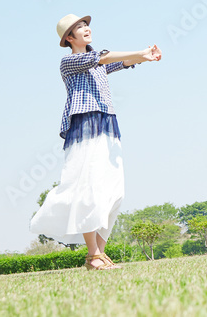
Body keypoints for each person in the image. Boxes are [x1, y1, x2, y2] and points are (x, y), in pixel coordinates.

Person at [30, 13, 161, 271]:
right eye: (79, 27)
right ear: (69, 38)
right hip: (84, 125)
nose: (86, 29)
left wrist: (144, 58)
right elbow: (102, 57)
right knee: (88, 188)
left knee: (114, 192)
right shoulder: (69, 62)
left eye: (86, 24)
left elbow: (118, 62)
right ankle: (93, 256)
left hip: (107, 123)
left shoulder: (97, 62)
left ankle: (99, 254)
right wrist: (141, 51)